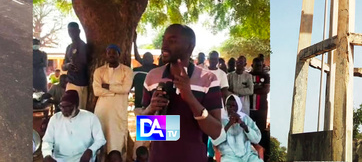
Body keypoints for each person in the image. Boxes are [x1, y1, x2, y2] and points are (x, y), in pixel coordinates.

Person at [142, 24, 223, 161]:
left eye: (172, 41)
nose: (164, 46)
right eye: (164, 40)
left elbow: (216, 132)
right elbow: (145, 130)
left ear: (189, 47)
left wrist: (190, 98)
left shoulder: (208, 79)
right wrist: (151, 109)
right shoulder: (152, 77)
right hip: (158, 158)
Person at [42, 90, 106, 162]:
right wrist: (47, 155)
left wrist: (90, 150)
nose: (64, 110)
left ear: (76, 105)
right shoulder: (55, 118)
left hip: (83, 158)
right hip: (59, 159)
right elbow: (47, 140)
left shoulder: (91, 118)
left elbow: (100, 140)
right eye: (62, 106)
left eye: (68, 106)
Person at [93, 44, 133, 156]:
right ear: (106, 55)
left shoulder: (127, 71)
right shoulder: (99, 71)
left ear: (119, 55)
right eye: (109, 53)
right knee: (101, 134)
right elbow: (96, 91)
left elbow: (126, 88)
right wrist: (116, 91)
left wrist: (108, 87)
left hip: (118, 110)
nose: (111, 55)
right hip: (102, 110)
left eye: (114, 53)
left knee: (116, 136)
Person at [210, 94, 263, 162]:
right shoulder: (221, 120)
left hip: (248, 155)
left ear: (239, 106)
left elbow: (257, 139)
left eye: (233, 106)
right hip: (229, 156)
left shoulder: (245, 118)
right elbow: (215, 141)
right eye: (228, 105)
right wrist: (229, 124)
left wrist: (244, 125)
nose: (231, 108)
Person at [62, 22, 90, 109]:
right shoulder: (68, 47)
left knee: (81, 110)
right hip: (72, 83)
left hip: (83, 84)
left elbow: (84, 63)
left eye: (73, 31)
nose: (71, 33)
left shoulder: (84, 46)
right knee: (70, 109)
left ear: (79, 31)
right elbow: (63, 66)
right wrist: (67, 66)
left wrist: (78, 65)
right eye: (69, 31)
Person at [249, 57, 270, 155]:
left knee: (260, 130)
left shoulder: (266, 76)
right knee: (248, 129)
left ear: (263, 66)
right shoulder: (247, 76)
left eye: (259, 65)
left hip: (261, 108)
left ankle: (261, 153)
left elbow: (266, 90)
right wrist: (258, 88)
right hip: (249, 107)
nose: (258, 67)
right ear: (252, 65)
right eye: (256, 65)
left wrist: (251, 89)